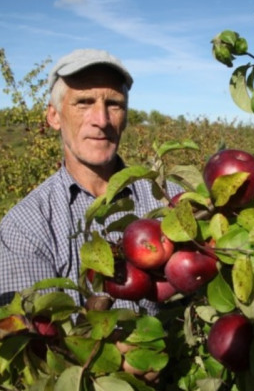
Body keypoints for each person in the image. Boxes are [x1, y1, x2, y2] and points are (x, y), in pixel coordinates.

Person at [0, 49, 182, 313]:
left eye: (114, 104)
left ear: (126, 117)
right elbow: (37, 339)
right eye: (84, 102)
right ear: (54, 116)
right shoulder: (26, 227)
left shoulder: (167, 200)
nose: (101, 120)